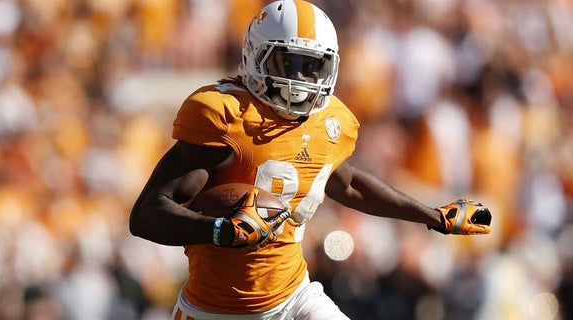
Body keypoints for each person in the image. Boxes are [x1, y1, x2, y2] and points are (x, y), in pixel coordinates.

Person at [129, 0, 492, 319]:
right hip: (214, 310)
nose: (302, 79)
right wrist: (219, 230)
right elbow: (145, 216)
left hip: (294, 297)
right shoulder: (227, 116)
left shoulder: (330, 122)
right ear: (256, 56)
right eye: (289, 63)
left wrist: (432, 216)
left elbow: (347, 184)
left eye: (312, 66)